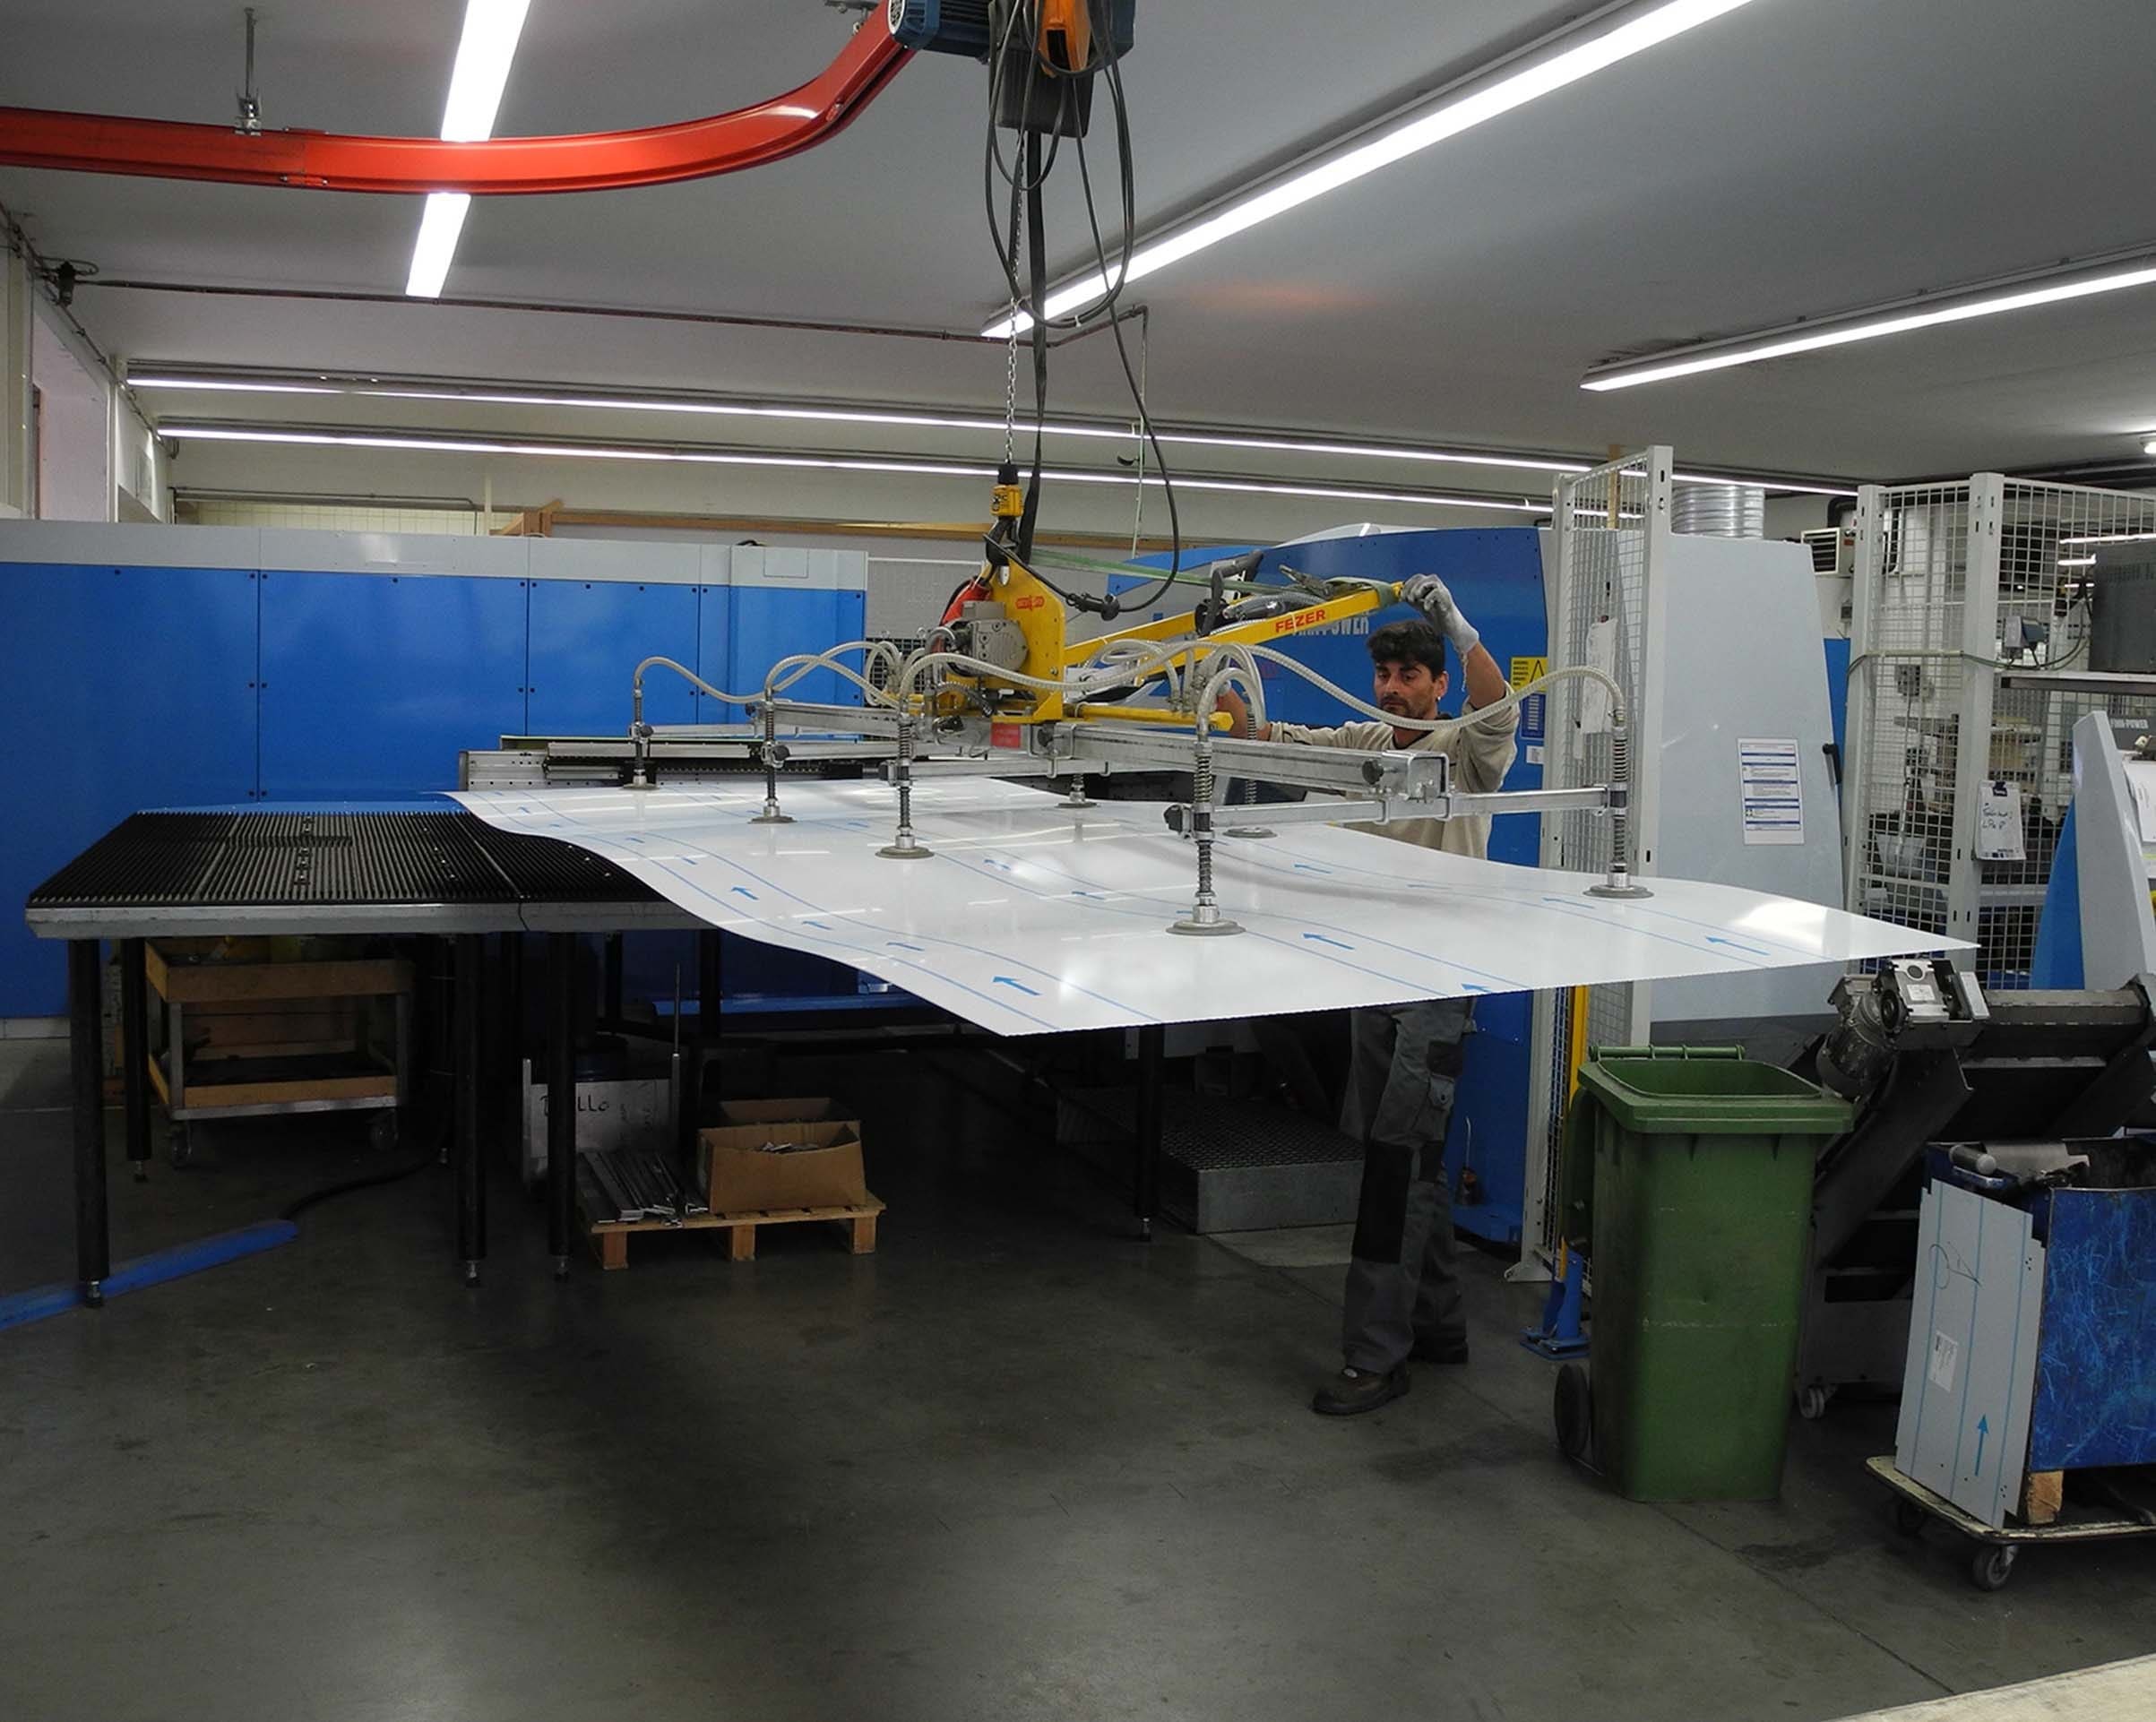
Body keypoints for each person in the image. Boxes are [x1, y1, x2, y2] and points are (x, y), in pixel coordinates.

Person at [1216, 576, 1518, 1416]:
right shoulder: (1361, 738)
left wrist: (1458, 626)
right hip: (1372, 972)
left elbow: (1499, 707)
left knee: (1395, 1164)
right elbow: (1271, 741)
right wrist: (1219, 677)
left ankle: (1375, 1356)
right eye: (1384, 675)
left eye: (1409, 676)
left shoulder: (1464, 747)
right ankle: (1440, 1327)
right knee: (1411, 1159)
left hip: (1437, 983)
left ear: (1437, 683)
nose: (1393, 688)